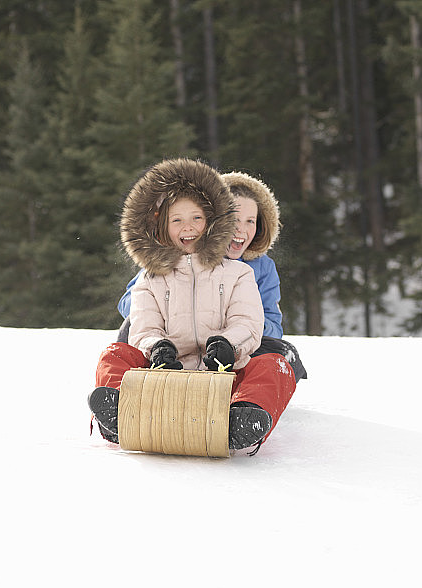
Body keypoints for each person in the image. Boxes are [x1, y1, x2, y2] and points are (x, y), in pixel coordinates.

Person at [88, 157, 297, 453]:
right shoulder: (152, 277)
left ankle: (242, 418)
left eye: (197, 218)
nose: (188, 227)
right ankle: (122, 414)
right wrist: (156, 346)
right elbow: (142, 323)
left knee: (273, 365)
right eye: (177, 220)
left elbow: (249, 322)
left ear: (212, 222)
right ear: (163, 226)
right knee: (115, 353)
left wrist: (229, 343)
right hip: (164, 374)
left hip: (224, 375)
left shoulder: (240, 272)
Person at [115, 170, 307, 381]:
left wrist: (243, 323)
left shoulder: (260, 268)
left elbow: (273, 327)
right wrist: (182, 312)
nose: (241, 230)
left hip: (235, 349)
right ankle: (131, 385)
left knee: (284, 353)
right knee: (131, 327)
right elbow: (132, 301)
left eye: (250, 221)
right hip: (175, 343)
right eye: (233, 219)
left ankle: (247, 396)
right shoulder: (181, 255)